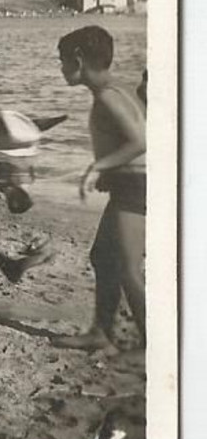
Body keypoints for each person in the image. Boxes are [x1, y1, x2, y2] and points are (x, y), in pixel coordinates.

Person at [53, 25, 147, 353]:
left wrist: (99, 166)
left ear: (79, 59)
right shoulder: (117, 89)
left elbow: (140, 141)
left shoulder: (107, 97)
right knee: (103, 257)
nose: (61, 67)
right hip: (130, 183)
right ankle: (102, 333)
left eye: (63, 60)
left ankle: (156, 344)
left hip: (136, 186)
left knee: (128, 267)